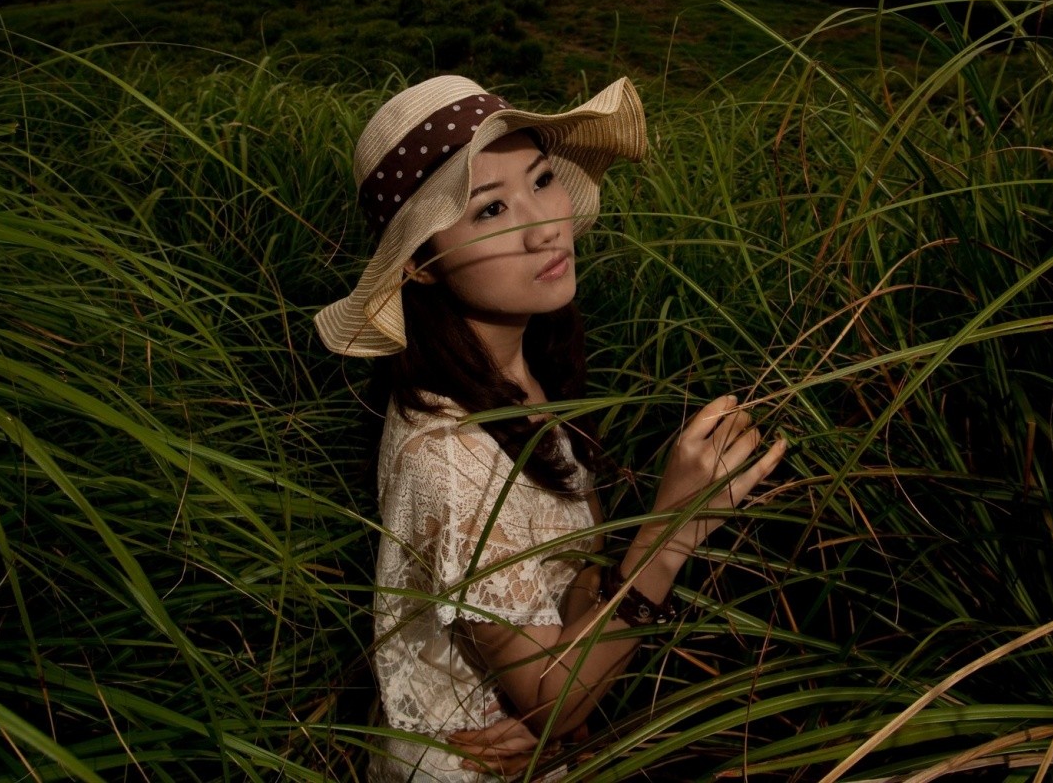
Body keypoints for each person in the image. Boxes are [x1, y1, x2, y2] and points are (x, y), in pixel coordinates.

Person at [316, 75, 787, 781]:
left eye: (541, 180)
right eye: (490, 209)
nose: (543, 226)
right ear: (418, 266)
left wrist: (565, 692)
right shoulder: (448, 456)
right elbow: (551, 701)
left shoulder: (520, 370)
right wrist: (675, 527)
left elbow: (566, 605)